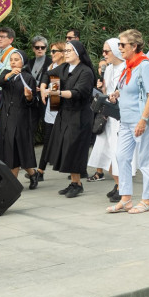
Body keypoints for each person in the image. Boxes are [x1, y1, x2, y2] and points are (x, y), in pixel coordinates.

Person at [107, 29, 149, 214]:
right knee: (122, 157)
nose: (119, 48)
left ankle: (146, 200)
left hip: (140, 121)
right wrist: (117, 93)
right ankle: (126, 198)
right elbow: (130, 89)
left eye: (123, 45)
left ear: (134, 46)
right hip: (126, 120)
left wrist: (143, 120)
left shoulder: (144, 65)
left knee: (146, 161)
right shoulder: (129, 65)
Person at [44, 41, 95, 198]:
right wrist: (44, 90)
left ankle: (78, 184)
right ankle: (75, 182)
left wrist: (55, 92)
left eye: (69, 51)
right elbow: (49, 74)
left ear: (78, 53)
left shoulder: (86, 72)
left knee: (75, 148)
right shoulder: (64, 68)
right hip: (65, 113)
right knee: (66, 147)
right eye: (64, 51)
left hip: (79, 115)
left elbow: (78, 93)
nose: (65, 53)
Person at [0, 49, 39, 187]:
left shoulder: (28, 78)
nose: (13, 62)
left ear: (23, 62)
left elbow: (32, 102)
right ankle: (33, 173)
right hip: (5, 116)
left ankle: (12, 184)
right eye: (12, 60)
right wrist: (9, 75)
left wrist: (29, 96)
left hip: (20, 118)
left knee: (15, 148)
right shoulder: (5, 73)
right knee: (9, 148)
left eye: (16, 60)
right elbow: (0, 81)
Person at [88, 39, 124, 197]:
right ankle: (117, 184)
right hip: (107, 115)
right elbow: (106, 91)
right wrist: (101, 88)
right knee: (106, 153)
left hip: (120, 117)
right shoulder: (108, 69)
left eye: (106, 51)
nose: (104, 55)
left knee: (117, 153)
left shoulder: (126, 68)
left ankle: (122, 187)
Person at [34, 41, 67, 181]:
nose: (51, 54)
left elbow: (61, 88)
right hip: (52, 107)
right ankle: (40, 171)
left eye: (54, 51)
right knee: (47, 140)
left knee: (67, 141)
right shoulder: (51, 66)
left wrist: (47, 90)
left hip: (64, 108)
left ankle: (77, 170)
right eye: (51, 51)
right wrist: (42, 89)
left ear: (62, 53)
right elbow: (45, 80)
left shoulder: (66, 68)